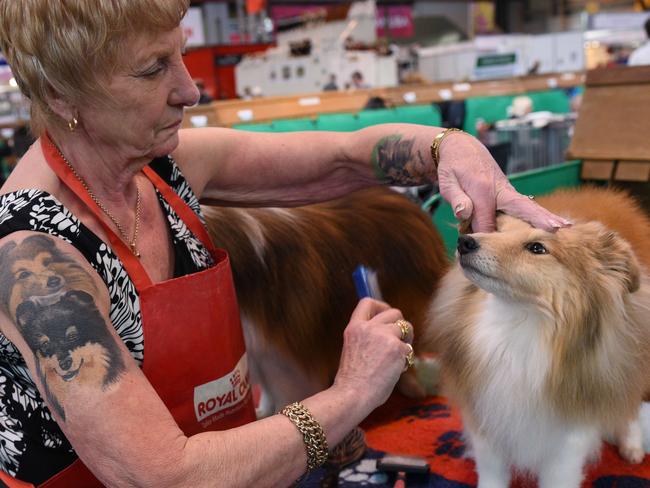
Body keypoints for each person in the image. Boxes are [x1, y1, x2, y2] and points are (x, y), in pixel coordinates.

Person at [0, 1, 570, 486]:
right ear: (62, 91)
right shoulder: (30, 255)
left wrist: (449, 146)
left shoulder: (161, 167)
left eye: (179, 53)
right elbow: (167, 476)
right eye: (152, 70)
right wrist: (350, 394)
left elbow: (344, 159)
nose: (189, 90)